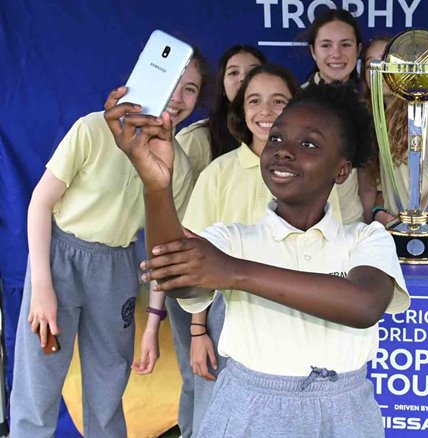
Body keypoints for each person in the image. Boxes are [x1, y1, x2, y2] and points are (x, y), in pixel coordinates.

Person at [105, 83, 409, 437]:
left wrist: (234, 272)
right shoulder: (232, 239)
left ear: (341, 171)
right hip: (248, 410)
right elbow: (175, 277)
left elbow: (364, 304)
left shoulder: (366, 238)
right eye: (276, 139)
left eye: (308, 144)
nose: (283, 151)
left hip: (345, 416)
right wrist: (155, 186)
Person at [10, 49, 206, 437]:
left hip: (116, 267)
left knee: (108, 383)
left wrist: (152, 323)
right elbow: (40, 202)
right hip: (59, 258)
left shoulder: (178, 166)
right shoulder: (94, 129)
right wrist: (43, 287)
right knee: (39, 381)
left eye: (191, 89)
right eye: (171, 81)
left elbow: (163, 250)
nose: (178, 98)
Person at [182, 63, 343, 436]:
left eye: (278, 101)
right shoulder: (220, 172)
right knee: (220, 409)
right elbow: (195, 254)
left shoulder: (321, 167)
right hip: (229, 305)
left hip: (305, 300)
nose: (266, 111)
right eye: (254, 101)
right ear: (241, 110)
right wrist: (197, 331)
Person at [169, 44, 264, 438]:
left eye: (252, 73)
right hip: (204, 285)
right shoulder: (204, 149)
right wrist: (196, 327)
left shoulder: (300, 161)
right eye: (234, 73)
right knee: (203, 378)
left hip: (269, 296)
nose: (242, 82)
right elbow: (189, 235)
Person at [361, 36, 428, 231]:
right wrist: (379, 213)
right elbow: (385, 191)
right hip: (396, 226)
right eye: (371, 65)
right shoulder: (376, 125)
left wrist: (413, 225)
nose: (379, 71)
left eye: (387, 63)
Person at [300, 9, 367, 225]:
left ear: (358, 49)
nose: (336, 54)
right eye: (326, 45)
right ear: (313, 51)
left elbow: (368, 177)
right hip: (306, 227)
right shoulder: (294, 104)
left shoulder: (369, 106)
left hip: (352, 224)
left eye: (345, 44)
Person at [176, 45, 266, 178]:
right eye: (233, 73)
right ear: (222, 87)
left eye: (253, 72)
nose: (242, 79)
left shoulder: (280, 136)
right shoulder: (195, 139)